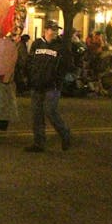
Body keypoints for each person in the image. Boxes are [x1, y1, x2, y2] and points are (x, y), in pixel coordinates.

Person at [25, 20, 72, 152]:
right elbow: (30, 62)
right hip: (37, 84)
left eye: (56, 30)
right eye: (52, 29)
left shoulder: (61, 47)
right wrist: (30, 77)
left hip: (53, 85)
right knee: (37, 115)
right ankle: (39, 143)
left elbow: (66, 65)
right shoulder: (37, 44)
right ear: (45, 30)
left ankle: (65, 134)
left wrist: (59, 79)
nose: (55, 32)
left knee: (50, 111)